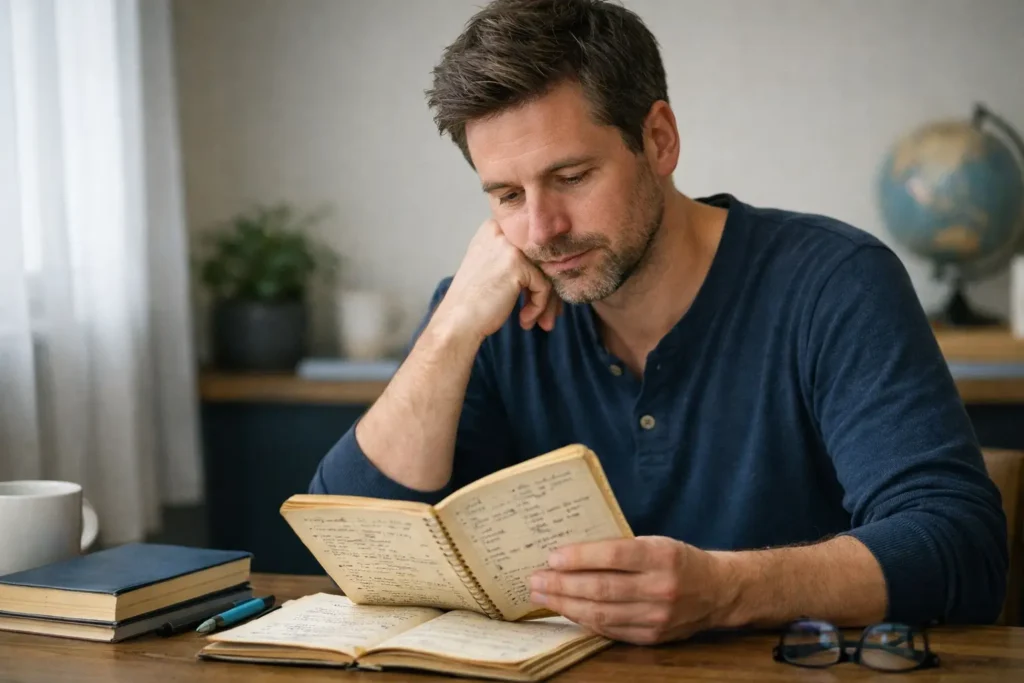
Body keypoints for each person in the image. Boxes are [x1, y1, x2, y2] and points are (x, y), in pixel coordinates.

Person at [308, 0, 1008, 644]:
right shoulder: (487, 310)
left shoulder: (834, 282)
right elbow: (354, 549)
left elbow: (962, 549)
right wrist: (449, 330)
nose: (542, 229)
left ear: (660, 139)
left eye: (573, 176)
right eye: (507, 194)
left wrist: (729, 589)